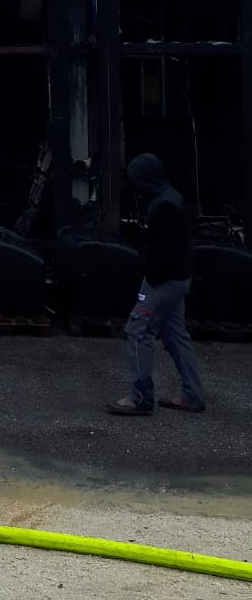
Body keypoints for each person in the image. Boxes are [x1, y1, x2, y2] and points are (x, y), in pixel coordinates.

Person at [106, 154, 205, 416]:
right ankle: (192, 395)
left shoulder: (164, 206)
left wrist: (150, 277)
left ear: (144, 179)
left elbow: (166, 251)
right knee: (175, 336)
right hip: (177, 280)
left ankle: (139, 398)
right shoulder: (171, 198)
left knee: (137, 332)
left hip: (162, 282)